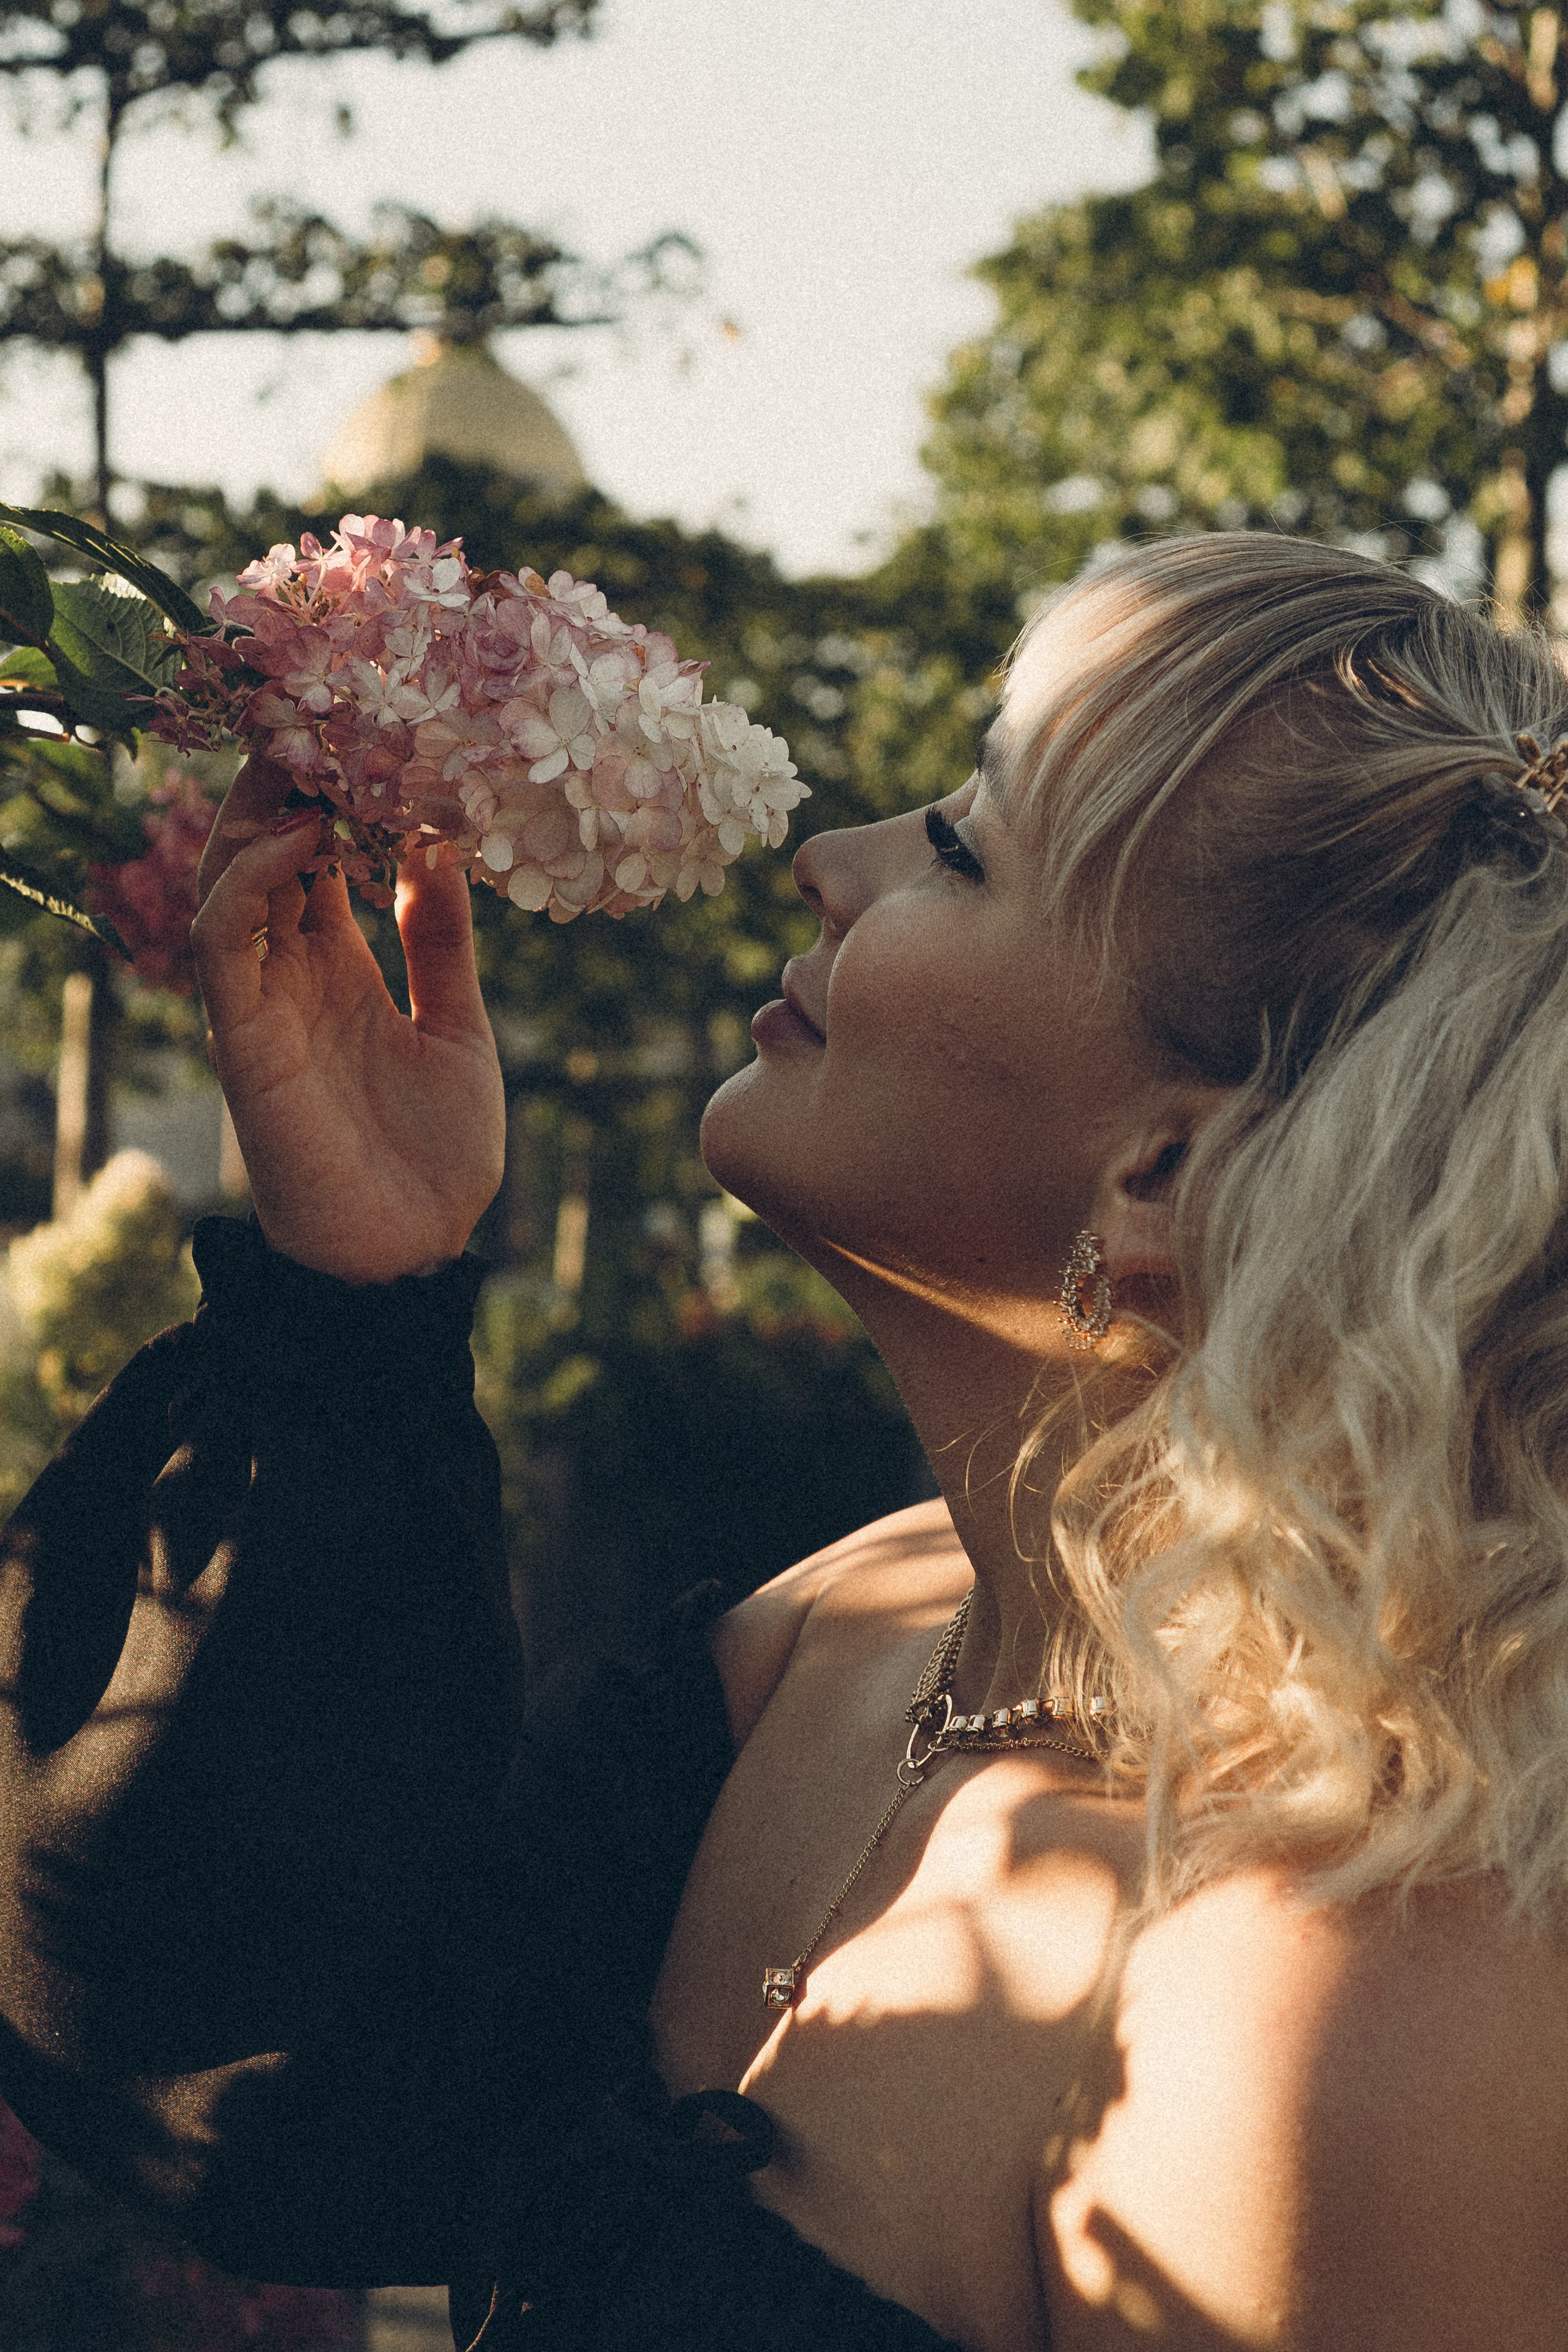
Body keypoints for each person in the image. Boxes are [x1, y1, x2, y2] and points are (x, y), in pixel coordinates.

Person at [3, 530, 1568, 2351]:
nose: (830, 863)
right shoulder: (862, 1628)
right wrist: (352, 1300)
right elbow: (258, 2080)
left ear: (1172, 1170)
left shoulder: (1327, 2018)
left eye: (965, 846)